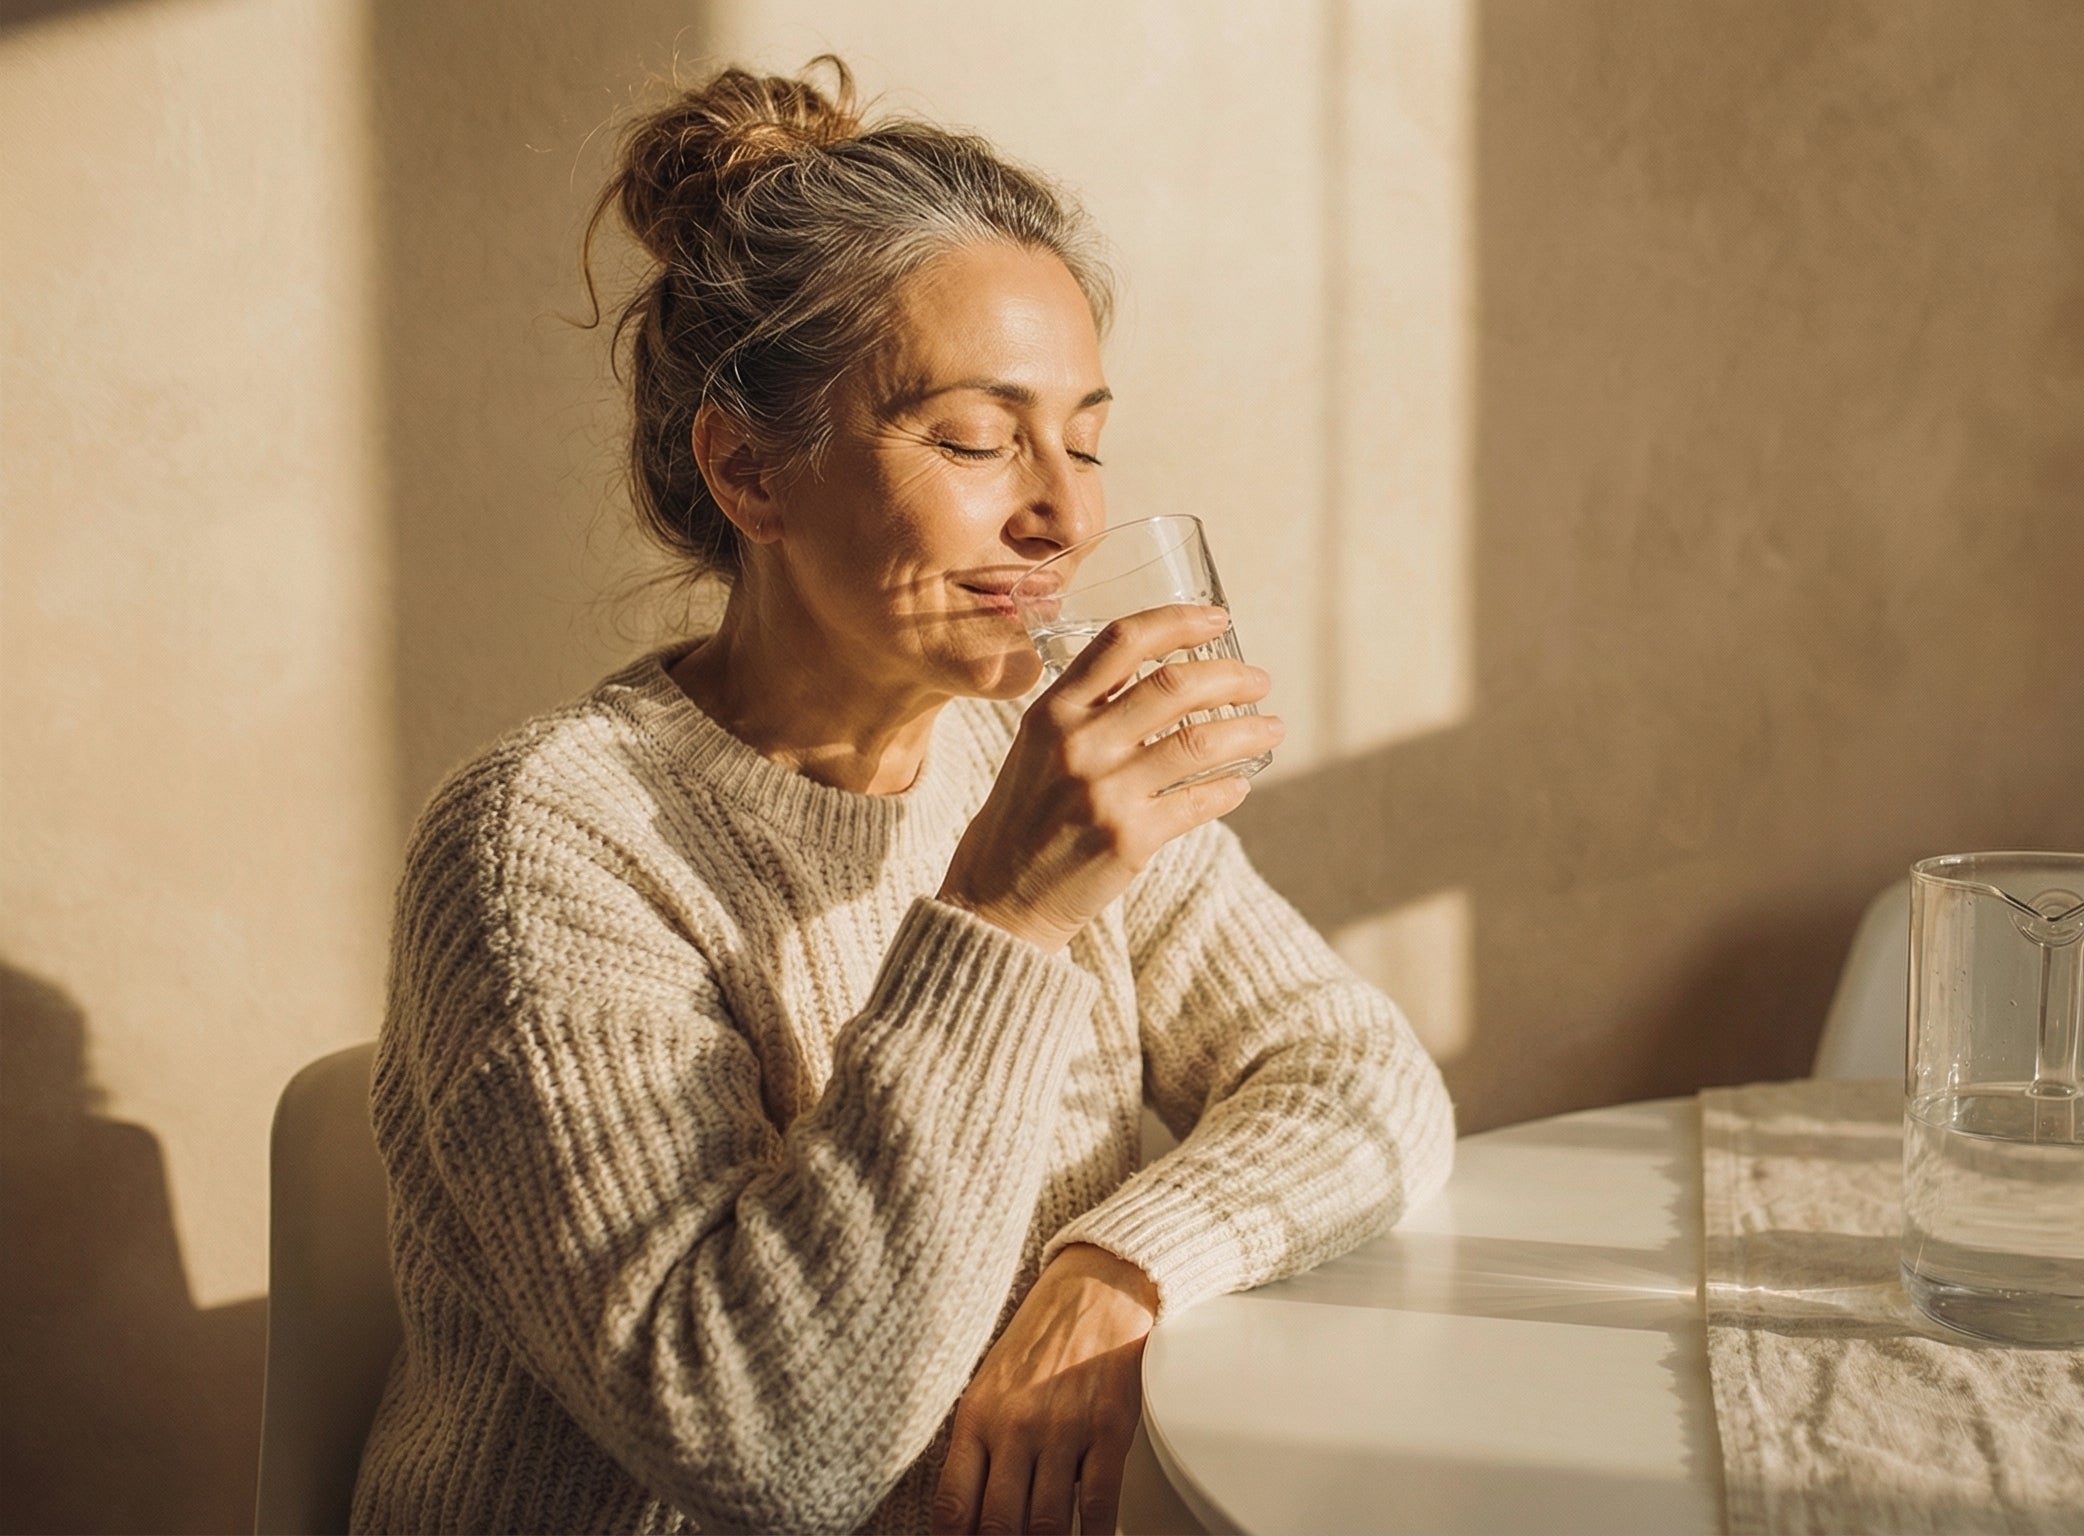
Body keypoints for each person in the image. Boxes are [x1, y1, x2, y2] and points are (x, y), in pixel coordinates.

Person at [349, 58, 1455, 1535]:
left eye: (1085, 437)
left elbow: (1365, 1079)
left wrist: (1115, 1273)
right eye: (978, 440)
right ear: (751, 468)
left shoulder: (1022, 762)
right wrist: (1001, 916)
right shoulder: (548, 845)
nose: (1062, 515)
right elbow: (770, 1446)